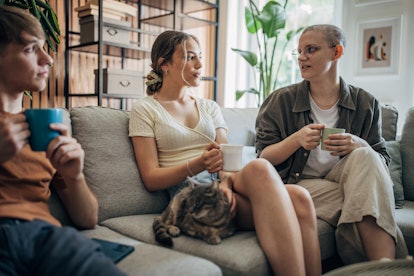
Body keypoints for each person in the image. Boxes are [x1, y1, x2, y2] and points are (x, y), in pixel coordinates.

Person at [129, 30, 321, 276]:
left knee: (299, 195)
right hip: (191, 196)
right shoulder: (145, 110)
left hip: (222, 185)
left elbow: (228, 161)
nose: (200, 65)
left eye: (200, 56)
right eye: (190, 57)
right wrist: (199, 163)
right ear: (164, 64)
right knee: (287, 192)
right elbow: (151, 178)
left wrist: (227, 184)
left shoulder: (209, 107)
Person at [255, 24, 408, 265]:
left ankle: (379, 267)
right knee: (368, 201)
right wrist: (296, 139)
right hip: (298, 184)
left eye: (311, 49)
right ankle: (385, 267)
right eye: (299, 52)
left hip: (349, 180)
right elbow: (263, 159)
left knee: (366, 155)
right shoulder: (281, 100)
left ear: (336, 53)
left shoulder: (365, 103)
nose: (302, 57)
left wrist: (359, 144)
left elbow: (382, 162)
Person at [0, 6, 124, 275]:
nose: (48, 59)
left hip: (44, 238)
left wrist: (74, 175)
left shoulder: (44, 130)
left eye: (44, 48)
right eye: (31, 49)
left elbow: (88, 220)